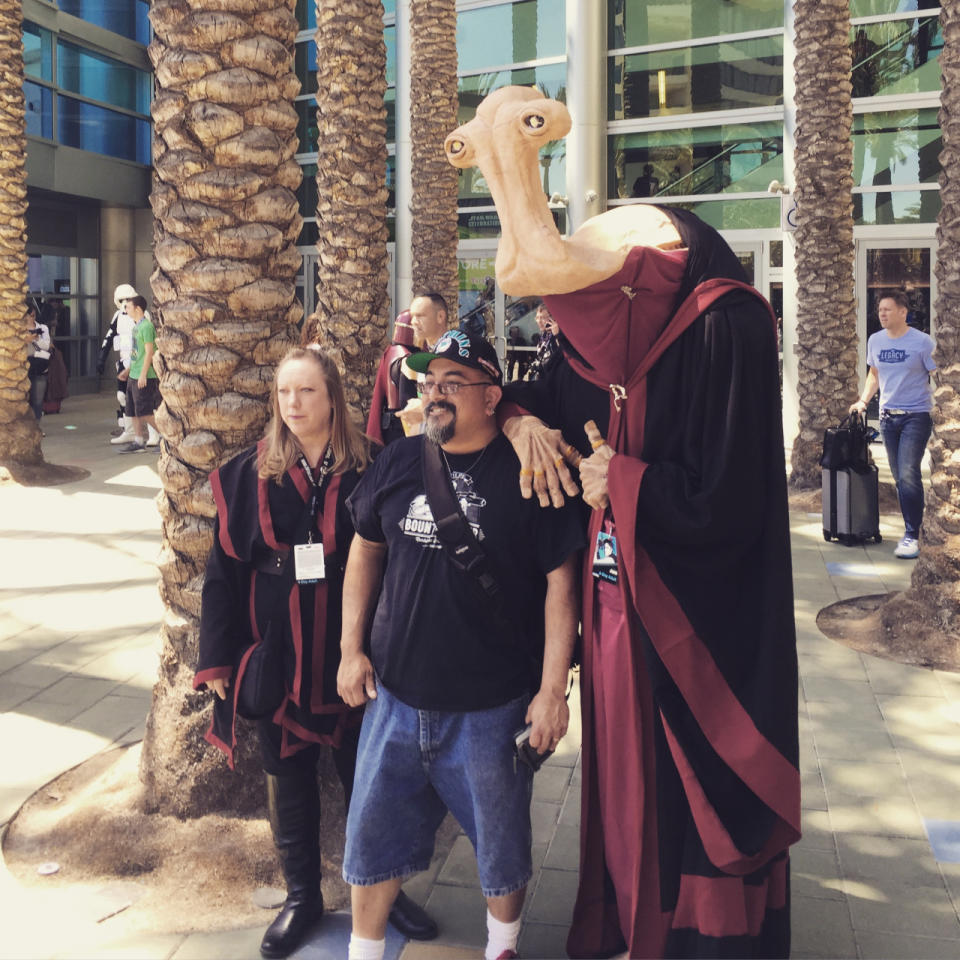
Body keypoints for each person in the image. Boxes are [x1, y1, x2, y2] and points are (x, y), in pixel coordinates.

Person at [500, 208, 799, 959]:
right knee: (619, 776)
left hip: (693, 624)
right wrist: (515, 423)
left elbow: (729, 501)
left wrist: (621, 480)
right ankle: (632, 924)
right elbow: (524, 396)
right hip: (609, 615)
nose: (572, 338)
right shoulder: (592, 358)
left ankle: (693, 939)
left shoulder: (725, 325)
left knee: (682, 780)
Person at [337, 331, 584, 960]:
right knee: (373, 843)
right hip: (393, 700)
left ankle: (502, 947)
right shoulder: (398, 461)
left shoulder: (531, 472)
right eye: (428, 382)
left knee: (501, 852)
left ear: (491, 396)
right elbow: (365, 550)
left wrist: (553, 690)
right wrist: (350, 649)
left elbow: (562, 585)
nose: (434, 395)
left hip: (491, 709)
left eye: (452, 383)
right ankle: (363, 953)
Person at [194, 346, 436, 959]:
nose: (294, 404)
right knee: (287, 772)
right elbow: (222, 573)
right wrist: (218, 661)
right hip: (280, 651)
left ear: (332, 397)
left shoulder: (374, 464)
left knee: (373, 778)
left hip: (357, 647)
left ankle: (382, 891)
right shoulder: (247, 473)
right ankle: (302, 895)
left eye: (306, 392)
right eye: (284, 393)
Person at [849, 290, 936, 559]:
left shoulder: (922, 343)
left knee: (909, 473)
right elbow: (873, 375)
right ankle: (917, 527)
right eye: (880, 311)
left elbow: (938, 375)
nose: (882, 314)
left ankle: (912, 534)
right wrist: (863, 401)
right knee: (900, 477)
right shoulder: (875, 341)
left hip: (916, 416)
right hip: (887, 418)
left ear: (903, 312)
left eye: (887, 309)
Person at [365, 310, 418, 445]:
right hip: (401, 426)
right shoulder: (406, 358)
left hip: (389, 425)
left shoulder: (391, 352)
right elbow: (407, 401)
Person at [116, 295, 161, 453]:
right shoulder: (136, 327)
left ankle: (166, 438)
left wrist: (142, 374)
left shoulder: (146, 327)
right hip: (134, 375)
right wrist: (128, 371)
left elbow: (149, 352)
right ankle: (138, 440)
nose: (125, 310)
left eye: (128, 307)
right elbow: (137, 354)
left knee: (145, 411)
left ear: (138, 309)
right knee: (132, 410)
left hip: (145, 376)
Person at [96, 283, 139, 444]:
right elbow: (108, 337)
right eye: (121, 300)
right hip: (123, 361)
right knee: (122, 396)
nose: (125, 303)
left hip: (137, 362)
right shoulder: (118, 316)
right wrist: (101, 358)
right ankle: (128, 430)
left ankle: (147, 432)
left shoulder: (141, 314)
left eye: (128, 299)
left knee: (141, 399)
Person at [25, 306, 50, 423]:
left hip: (40, 365)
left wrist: (36, 339)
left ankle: (37, 426)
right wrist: (26, 339)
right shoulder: (19, 329)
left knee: (38, 398)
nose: (32, 318)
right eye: (30, 315)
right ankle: (28, 424)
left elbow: (46, 346)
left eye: (34, 315)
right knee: (26, 397)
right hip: (25, 366)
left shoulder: (43, 328)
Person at [525, 302, 559, 381]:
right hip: (543, 377)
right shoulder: (543, 336)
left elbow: (562, 353)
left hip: (554, 378)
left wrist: (557, 335)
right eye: (537, 318)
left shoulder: (557, 335)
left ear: (552, 318)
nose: (539, 321)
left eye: (543, 318)